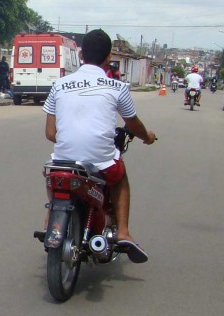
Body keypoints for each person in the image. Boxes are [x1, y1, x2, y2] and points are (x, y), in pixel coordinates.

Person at [41, 29, 157, 263]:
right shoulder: (117, 87)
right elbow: (133, 124)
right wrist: (147, 137)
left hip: (63, 160)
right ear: (108, 58)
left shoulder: (60, 85)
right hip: (101, 162)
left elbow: (50, 133)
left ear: (81, 55)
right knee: (120, 178)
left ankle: (49, 221)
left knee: (55, 173)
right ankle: (123, 231)